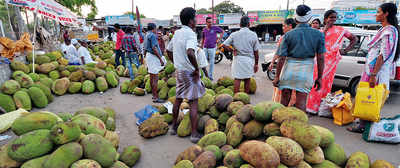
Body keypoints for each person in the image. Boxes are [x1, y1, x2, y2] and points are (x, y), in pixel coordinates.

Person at [348, 3, 400, 133]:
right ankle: (364, 125)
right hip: (373, 71)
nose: (375, 14)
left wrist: (373, 75)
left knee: (370, 99)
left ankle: (364, 126)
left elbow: (383, 55)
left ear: (386, 14)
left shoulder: (388, 31)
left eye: (378, 12)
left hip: (376, 73)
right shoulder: (386, 29)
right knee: (367, 98)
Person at [273, 5, 325, 112]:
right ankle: (299, 126)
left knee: (284, 102)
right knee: (301, 102)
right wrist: (320, 77)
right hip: (306, 72)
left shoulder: (288, 35)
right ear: (310, 18)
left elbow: (282, 58)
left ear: (296, 19)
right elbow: (320, 58)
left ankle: (279, 123)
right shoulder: (318, 35)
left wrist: (277, 76)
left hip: (289, 70)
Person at [306, 10, 358, 114]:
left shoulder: (340, 30)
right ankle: (311, 108)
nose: (333, 19)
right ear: (325, 19)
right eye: (331, 17)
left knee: (327, 85)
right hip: (319, 61)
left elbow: (354, 39)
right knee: (317, 83)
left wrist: (345, 50)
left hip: (332, 61)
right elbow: (317, 43)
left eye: (335, 17)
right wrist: (325, 29)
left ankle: (322, 108)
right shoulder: (319, 31)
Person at [166, 7, 205, 143]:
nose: (196, 20)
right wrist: (196, 68)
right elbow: (190, 52)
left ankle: (173, 127)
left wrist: (175, 62)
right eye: (195, 18)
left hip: (179, 71)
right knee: (193, 102)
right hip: (189, 72)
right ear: (190, 21)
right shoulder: (191, 34)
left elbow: (168, 50)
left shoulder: (177, 33)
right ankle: (194, 134)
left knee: (178, 98)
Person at [222, 16, 260, 94]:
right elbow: (256, 51)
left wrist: (232, 50)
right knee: (247, 78)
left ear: (240, 25)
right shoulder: (253, 35)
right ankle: (245, 98)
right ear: (249, 24)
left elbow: (224, 45)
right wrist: (256, 64)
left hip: (238, 59)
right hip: (249, 60)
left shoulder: (234, 34)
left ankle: (236, 98)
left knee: (237, 78)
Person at [270, 18, 297, 105]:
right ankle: (290, 105)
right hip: (298, 67)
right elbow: (278, 52)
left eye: (284, 26)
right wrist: (272, 61)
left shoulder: (285, 37)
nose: (282, 28)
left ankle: (282, 106)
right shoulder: (299, 36)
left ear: (290, 26)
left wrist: (277, 75)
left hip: (286, 66)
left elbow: (280, 55)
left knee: (284, 89)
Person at [144, 23, 166, 103]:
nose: (156, 30)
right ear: (153, 28)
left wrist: (144, 56)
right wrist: (160, 59)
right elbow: (154, 48)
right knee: (155, 78)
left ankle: (154, 95)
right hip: (153, 57)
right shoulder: (152, 35)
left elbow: (145, 48)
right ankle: (156, 97)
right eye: (156, 28)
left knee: (151, 77)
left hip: (149, 56)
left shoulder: (147, 35)